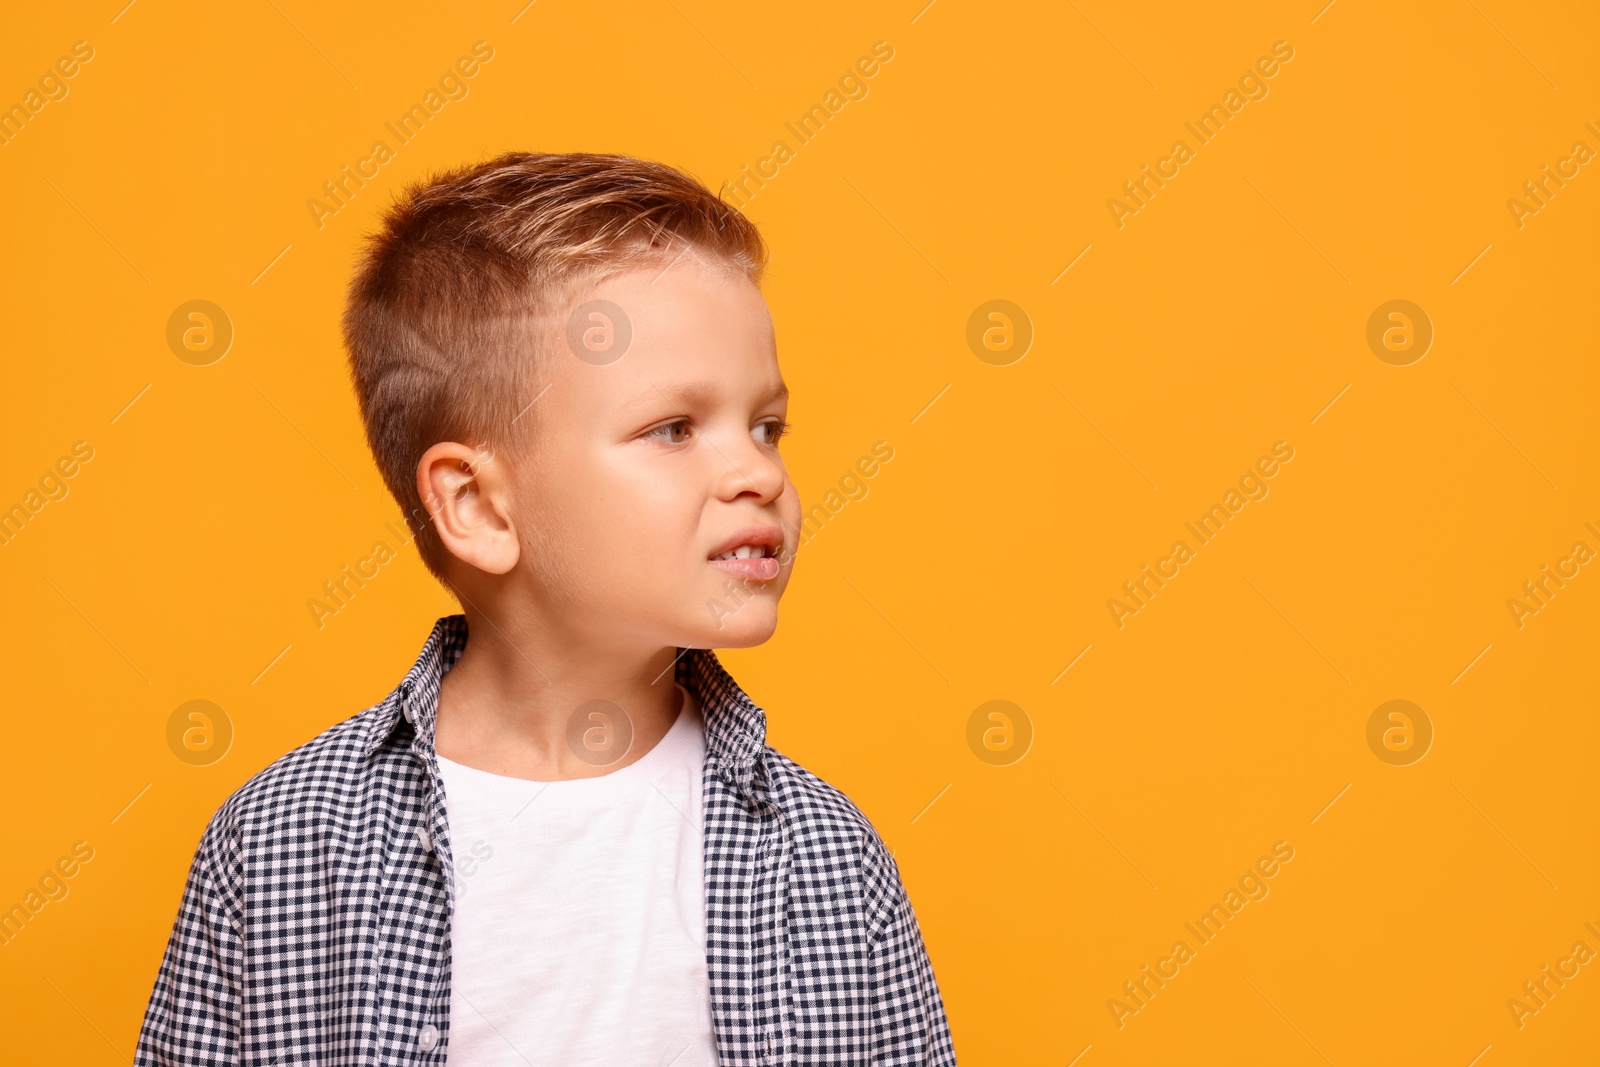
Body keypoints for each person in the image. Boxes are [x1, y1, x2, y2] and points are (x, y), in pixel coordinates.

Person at [133, 151, 956, 1066]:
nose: (760, 473)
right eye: (674, 428)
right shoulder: (285, 846)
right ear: (480, 507)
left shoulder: (829, 863)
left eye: (768, 426)